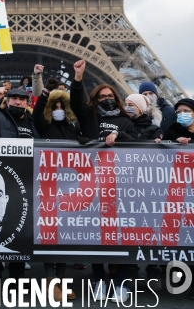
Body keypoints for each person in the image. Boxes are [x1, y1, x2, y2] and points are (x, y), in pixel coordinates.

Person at [70, 59, 138, 303]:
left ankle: (121, 281)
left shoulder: (125, 121)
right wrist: (78, 77)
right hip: (91, 185)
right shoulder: (90, 117)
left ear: (116, 98)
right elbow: (76, 102)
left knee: (120, 235)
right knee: (94, 235)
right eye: (101, 97)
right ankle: (98, 278)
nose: (106, 99)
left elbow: (139, 145)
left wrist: (118, 134)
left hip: (120, 186)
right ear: (95, 101)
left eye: (109, 95)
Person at [0, 87, 39, 288]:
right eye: (13, 98)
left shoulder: (32, 121)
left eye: (21, 99)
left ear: (27, 102)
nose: (17, 102)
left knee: (19, 230)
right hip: (0, 183)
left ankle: (17, 275)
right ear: (7, 101)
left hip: (26, 182)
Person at [32, 80, 79, 301]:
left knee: (66, 234)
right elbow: (36, 116)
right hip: (49, 184)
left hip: (71, 186)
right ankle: (51, 280)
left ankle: (61, 279)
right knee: (50, 233)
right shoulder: (44, 125)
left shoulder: (73, 127)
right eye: (55, 107)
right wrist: (44, 95)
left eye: (62, 107)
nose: (59, 110)